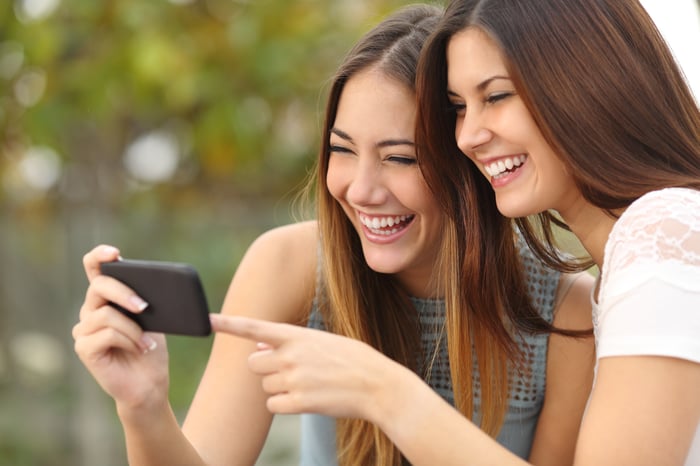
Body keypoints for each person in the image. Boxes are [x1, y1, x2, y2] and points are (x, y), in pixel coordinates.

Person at [73, 4, 594, 466]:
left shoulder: (565, 314)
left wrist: (386, 392)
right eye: (343, 150)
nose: (361, 190)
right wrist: (142, 407)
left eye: (399, 158)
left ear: (470, 162)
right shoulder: (290, 266)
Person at [249, 0, 696, 464]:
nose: (466, 137)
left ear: (587, 84)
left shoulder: (663, 232)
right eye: (459, 107)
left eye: (496, 96)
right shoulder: (638, 256)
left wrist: (383, 391)